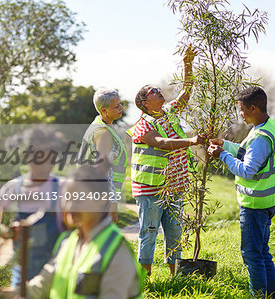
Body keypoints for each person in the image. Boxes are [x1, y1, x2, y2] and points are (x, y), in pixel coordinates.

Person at [129, 45, 205, 276]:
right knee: (149, 232)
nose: (159, 90)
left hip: (174, 186)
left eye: (158, 88)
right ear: (144, 102)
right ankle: (146, 280)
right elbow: (161, 143)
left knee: (174, 232)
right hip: (150, 189)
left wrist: (187, 64)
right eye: (153, 90)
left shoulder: (170, 112)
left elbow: (186, 93)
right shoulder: (143, 125)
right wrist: (192, 141)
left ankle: (175, 277)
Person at [207, 86, 275, 298]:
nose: (240, 114)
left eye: (242, 110)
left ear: (253, 108)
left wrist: (222, 155)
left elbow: (247, 170)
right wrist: (224, 145)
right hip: (267, 200)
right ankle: (272, 295)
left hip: (256, 204)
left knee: (253, 255)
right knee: (262, 253)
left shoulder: (261, 137)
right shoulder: (270, 125)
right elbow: (247, 153)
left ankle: (259, 295)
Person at [19, 164, 144, 299]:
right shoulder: (68, 241)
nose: (70, 206)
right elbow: (42, 284)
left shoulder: (116, 251)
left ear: (101, 199)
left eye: (78, 198)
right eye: (67, 197)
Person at [0, 127, 66, 287]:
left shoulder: (63, 188)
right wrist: (8, 230)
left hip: (55, 271)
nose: (44, 164)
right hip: (21, 271)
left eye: (50, 158)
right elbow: (0, 225)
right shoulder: (12, 188)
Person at [77, 88, 128, 223]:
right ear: (104, 110)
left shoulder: (103, 127)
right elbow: (102, 169)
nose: (121, 108)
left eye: (120, 104)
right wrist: (111, 200)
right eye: (116, 106)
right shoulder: (102, 132)